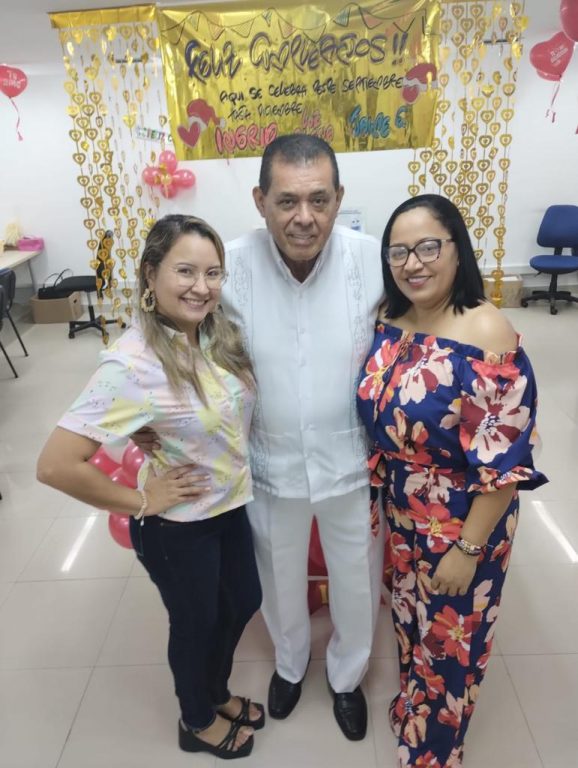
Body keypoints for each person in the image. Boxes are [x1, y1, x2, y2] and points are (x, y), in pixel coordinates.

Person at [37, 215, 264, 760]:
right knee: (197, 623)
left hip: (229, 505)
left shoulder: (214, 333)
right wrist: (142, 500)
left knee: (243, 601)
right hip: (176, 525)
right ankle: (197, 719)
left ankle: (215, 691)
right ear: (150, 275)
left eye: (213, 273)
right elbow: (55, 464)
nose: (202, 286)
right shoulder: (132, 364)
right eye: (184, 271)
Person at [356, 194, 547, 767]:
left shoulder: (486, 331)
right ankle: (415, 709)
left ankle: (436, 751)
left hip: (464, 518)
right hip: (403, 508)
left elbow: (504, 463)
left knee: (450, 641)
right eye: (398, 252)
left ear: (456, 250)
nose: (412, 263)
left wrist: (467, 547)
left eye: (427, 247)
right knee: (412, 625)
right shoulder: (389, 319)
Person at [224, 134, 385, 740]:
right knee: (278, 573)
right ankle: (290, 667)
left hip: (351, 460)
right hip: (268, 460)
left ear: (339, 197)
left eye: (319, 199)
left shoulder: (373, 259)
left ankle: (347, 677)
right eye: (287, 201)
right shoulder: (228, 266)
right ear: (260, 199)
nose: (304, 217)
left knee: (355, 574)